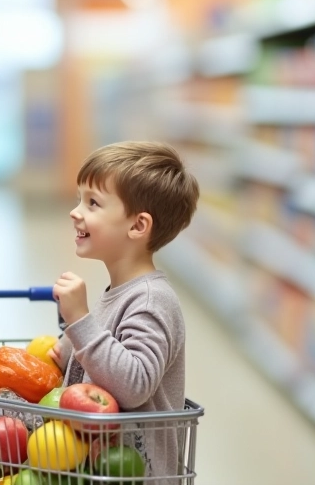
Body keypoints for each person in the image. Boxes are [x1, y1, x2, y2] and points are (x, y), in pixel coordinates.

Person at [48, 141, 199, 480]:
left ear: (137, 226)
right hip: (103, 468)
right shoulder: (117, 292)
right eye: (79, 199)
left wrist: (80, 319)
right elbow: (99, 358)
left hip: (135, 473)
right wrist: (64, 347)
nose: (76, 211)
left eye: (93, 203)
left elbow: (134, 383)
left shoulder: (151, 299)